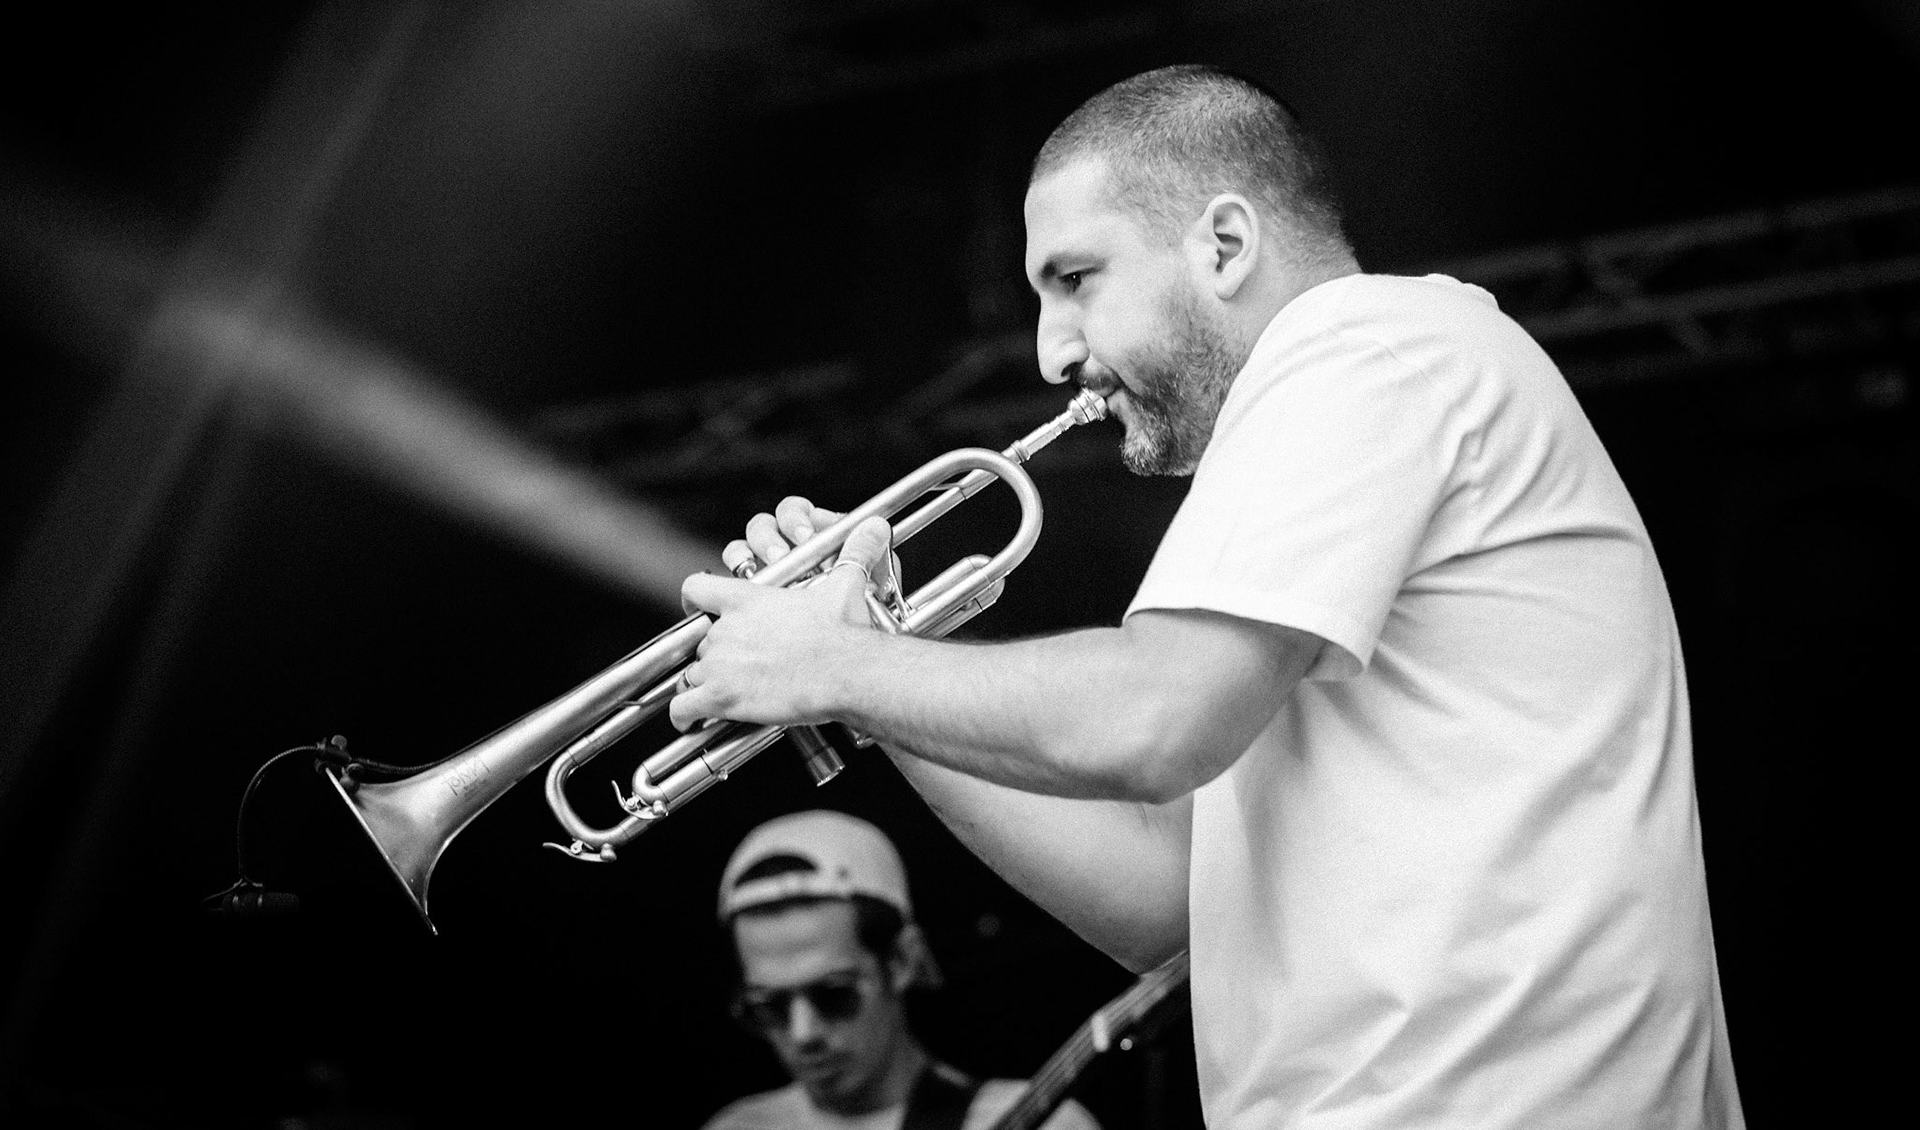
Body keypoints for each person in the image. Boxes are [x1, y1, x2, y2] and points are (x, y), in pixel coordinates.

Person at [676, 65, 1745, 1128]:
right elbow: (1162, 900)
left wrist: (841, 663)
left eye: (1076, 278)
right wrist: (870, 666)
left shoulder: (1367, 345)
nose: (1051, 351)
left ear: (1224, 244)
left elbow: (1152, 719)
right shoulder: (1352, 411)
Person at [703, 809, 1100, 1130]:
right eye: (769, 1007)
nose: (803, 1033)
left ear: (901, 962)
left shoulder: (1043, 1120)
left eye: (834, 995)